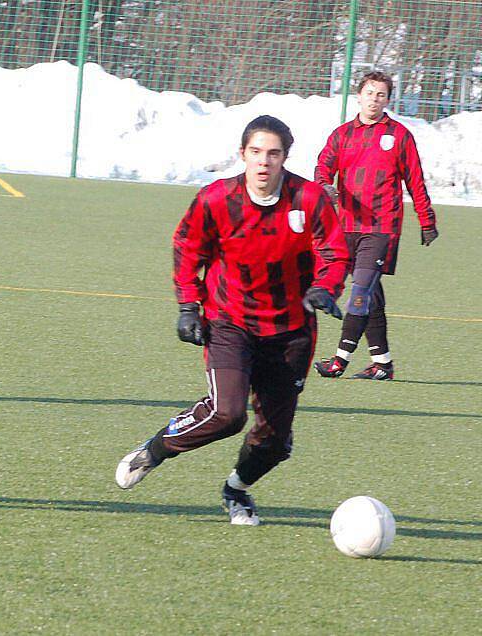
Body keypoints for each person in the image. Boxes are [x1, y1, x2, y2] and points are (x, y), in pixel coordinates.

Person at [115, 116, 350, 526]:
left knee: (275, 443)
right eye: (256, 152)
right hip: (230, 322)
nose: (264, 162)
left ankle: (236, 490)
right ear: (242, 155)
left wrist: (326, 287)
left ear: (285, 159)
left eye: (273, 154)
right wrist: (189, 305)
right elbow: (188, 249)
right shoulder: (216, 199)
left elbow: (334, 252)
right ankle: (154, 450)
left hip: (291, 332)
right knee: (228, 414)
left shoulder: (308, 198)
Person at [314, 70, 438, 381]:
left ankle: (339, 361)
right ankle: (382, 364)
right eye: (370, 93)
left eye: (381, 94)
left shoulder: (399, 136)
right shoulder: (342, 134)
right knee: (370, 294)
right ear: (359, 95)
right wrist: (323, 185)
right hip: (346, 226)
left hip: (381, 228)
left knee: (359, 291)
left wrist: (426, 220)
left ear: (388, 100)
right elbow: (324, 165)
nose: (374, 99)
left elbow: (415, 181)